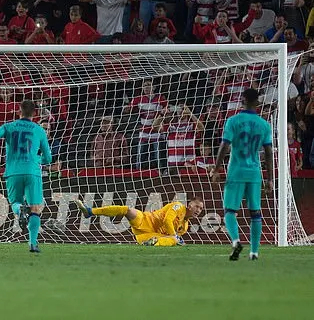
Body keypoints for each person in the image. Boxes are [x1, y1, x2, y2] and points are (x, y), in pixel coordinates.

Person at [210, 88, 273, 261]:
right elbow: (268, 152)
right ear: (257, 102)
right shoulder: (264, 124)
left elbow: (225, 146)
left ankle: (236, 241)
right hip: (254, 173)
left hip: (236, 171)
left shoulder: (233, 121)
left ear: (243, 100)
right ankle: (254, 253)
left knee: (230, 211)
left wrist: (216, 169)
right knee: (255, 213)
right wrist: (270, 179)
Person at [0, 100, 53, 253]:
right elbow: (49, 159)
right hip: (32, 171)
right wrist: (38, 159)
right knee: (35, 208)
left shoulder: (9, 126)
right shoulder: (39, 130)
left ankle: (20, 210)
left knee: (16, 202)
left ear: (19, 112)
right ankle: (33, 243)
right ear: (35, 114)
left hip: (13, 171)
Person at [74, 196, 205, 246]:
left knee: (173, 240)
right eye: (197, 206)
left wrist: (175, 239)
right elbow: (167, 221)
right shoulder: (178, 207)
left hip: (148, 236)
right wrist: (175, 237)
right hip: (146, 219)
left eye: (201, 209)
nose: (198, 210)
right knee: (127, 210)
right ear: (189, 205)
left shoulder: (184, 227)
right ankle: (90, 211)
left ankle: (153, 243)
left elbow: (169, 237)